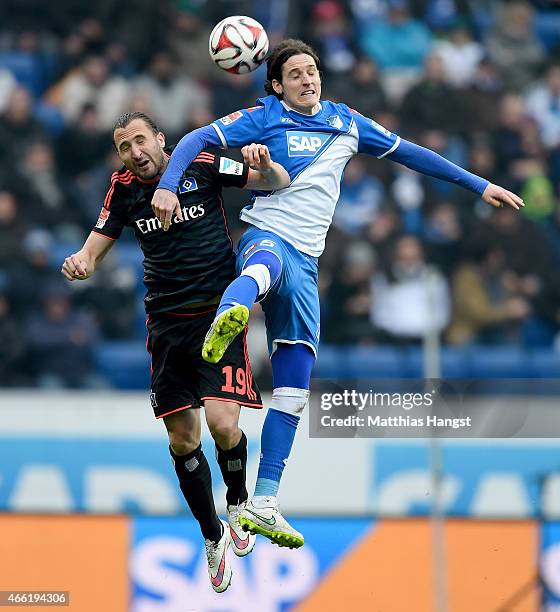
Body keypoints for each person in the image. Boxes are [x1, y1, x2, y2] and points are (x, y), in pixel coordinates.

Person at [150, 39, 524, 549]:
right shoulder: (264, 117)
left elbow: (412, 154)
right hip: (268, 234)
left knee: (295, 389)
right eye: (297, 73)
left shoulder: (346, 122)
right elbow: (195, 139)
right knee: (265, 267)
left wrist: (478, 185)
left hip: (308, 264)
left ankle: (263, 500)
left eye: (313, 70)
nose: (308, 79)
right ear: (277, 84)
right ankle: (232, 310)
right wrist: (169, 183)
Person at [61, 111, 290, 592]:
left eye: (140, 140)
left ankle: (238, 503)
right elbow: (98, 240)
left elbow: (276, 179)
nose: (134, 152)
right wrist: (82, 260)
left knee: (223, 424)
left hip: (217, 315)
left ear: (161, 140)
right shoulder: (123, 187)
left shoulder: (203, 162)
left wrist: (263, 165)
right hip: (166, 325)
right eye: (124, 146)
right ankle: (212, 536)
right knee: (183, 441)